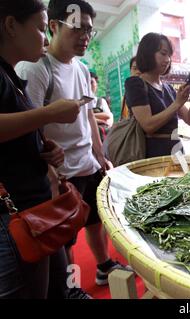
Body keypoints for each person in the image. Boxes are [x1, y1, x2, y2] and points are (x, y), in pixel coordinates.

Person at [15, 0, 131, 295]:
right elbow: (30, 124)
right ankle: (70, 289)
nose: (85, 37)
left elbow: (88, 114)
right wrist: (51, 171)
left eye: (90, 30)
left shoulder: (81, 69)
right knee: (63, 237)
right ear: (53, 26)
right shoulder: (36, 69)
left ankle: (104, 266)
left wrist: (100, 153)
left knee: (94, 220)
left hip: (87, 164)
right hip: (62, 172)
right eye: (78, 28)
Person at [0, 0, 82, 298]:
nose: (44, 38)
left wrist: (44, 149)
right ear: (11, 26)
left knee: (55, 287)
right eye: (38, 27)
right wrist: (49, 114)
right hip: (15, 217)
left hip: (36, 209)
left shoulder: (11, 76)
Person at [124, 32, 190, 158]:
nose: (168, 60)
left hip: (176, 151)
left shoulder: (168, 88)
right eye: (163, 54)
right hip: (152, 154)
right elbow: (148, 125)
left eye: (169, 55)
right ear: (148, 53)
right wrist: (177, 103)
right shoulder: (135, 83)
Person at [90, 71, 113, 142]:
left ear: (96, 84)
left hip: (102, 139)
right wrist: (100, 119)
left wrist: (89, 116)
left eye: (91, 82)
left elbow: (108, 118)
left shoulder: (101, 101)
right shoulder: (81, 101)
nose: (89, 85)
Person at [120, 56, 140, 120]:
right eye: (135, 68)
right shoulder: (126, 96)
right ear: (130, 70)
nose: (138, 72)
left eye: (141, 69)